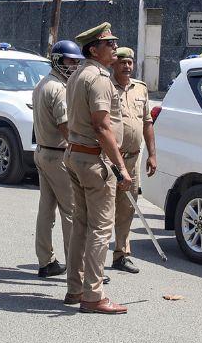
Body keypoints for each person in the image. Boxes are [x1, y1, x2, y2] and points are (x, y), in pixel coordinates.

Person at [63, 22, 130, 314]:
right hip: (94, 160)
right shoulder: (99, 79)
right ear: (94, 49)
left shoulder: (79, 74)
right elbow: (102, 126)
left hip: (78, 156)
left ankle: (75, 288)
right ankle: (93, 294)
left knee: (81, 225)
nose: (114, 46)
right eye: (109, 43)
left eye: (114, 42)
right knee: (101, 228)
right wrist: (121, 167)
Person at [31, 39, 82, 279]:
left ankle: (45, 260)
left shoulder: (43, 83)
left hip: (43, 151)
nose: (74, 66)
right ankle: (77, 267)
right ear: (58, 61)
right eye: (71, 61)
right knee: (71, 212)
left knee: (46, 210)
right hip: (59, 154)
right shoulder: (59, 89)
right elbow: (66, 128)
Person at [109, 46, 157, 275]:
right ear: (113, 64)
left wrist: (152, 154)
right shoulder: (106, 87)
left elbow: (147, 123)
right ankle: (95, 259)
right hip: (109, 161)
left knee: (127, 208)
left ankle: (121, 254)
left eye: (130, 62)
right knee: (104, 209)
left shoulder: (141, 89)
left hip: (133, 158)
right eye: (122, 62)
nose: (127, 66)